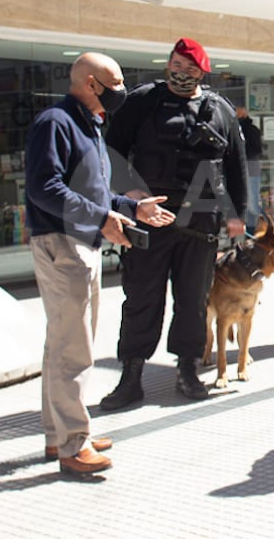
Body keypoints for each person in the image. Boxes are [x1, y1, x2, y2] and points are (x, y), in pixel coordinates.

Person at [25, 52, 175, 476]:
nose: (121, 91)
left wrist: (130, 207)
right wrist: (102, 218)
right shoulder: (56, 123)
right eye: (116, 82)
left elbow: (92, 193)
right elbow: (44, 188)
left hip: (81, 241)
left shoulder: (88, 125)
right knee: (73, 348)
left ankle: (59, 434)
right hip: (64, 243)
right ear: (91, 83)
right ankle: (73, 443)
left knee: (64, 343)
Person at [99, 37, 249, 411]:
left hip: (200, 221)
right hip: (149, 217)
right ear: (168, 65)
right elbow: (111, 151)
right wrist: (128, 191)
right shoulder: (143, 101)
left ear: (203, 73)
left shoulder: (219, 109)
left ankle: (187, 369)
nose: (181, 73)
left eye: (190, 68)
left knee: (193, 299)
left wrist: (237, 214)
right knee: (141, 297)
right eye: (176, 65)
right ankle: (131, 374)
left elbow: (236, 165)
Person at [237, 105, 264, 233]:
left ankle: (267, 227)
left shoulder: (251, 130)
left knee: (252, 205)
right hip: (243, 169)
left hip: (250, 168)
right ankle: (251, 232)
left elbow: (257, 150)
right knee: (246, 205)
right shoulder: (235, 129)